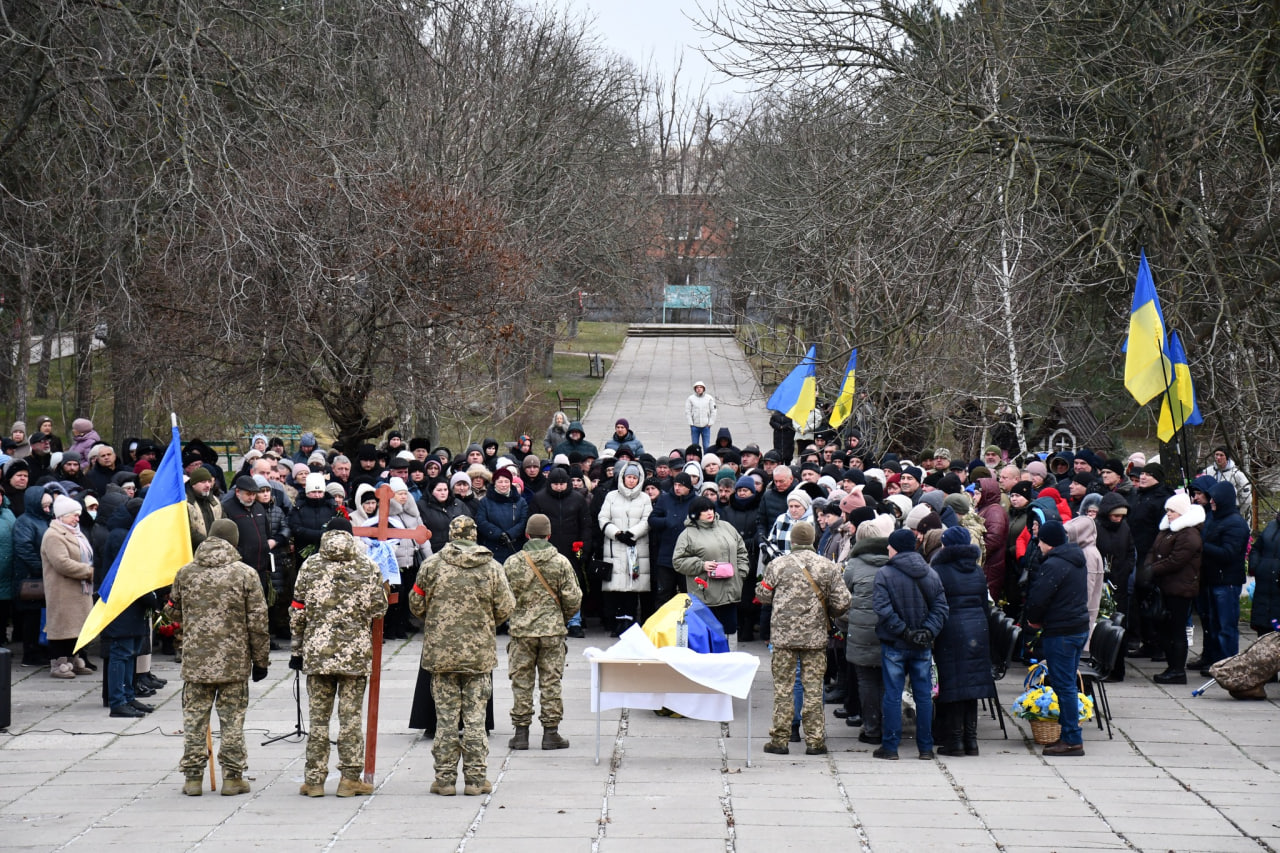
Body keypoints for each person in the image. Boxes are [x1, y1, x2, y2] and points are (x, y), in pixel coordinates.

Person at [409, 515, 514, 797]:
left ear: (452, 535)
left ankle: (444, 780)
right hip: (478, 655)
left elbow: (416, 603)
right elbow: (505, 607)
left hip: (441, 655)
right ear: (475, 535)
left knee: (445, 720)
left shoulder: (431, 566)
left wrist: (437, 621)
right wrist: (484, 622)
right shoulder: (492, 567)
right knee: (475, 720)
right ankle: (476, 780)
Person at [164, 519, 271, 796]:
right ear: (233, 541)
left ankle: (192, 778)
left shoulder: (185, 573)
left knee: (194, 720)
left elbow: (172, 613)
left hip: (196, 662)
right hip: (233, 662)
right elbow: (258, 622)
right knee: (233, 720)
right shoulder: (245, 574)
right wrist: (261, 661)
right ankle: (232, 777)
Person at [291, 518, 388, 798]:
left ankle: (314, 781)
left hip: (317, 654)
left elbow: (297, 610)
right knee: (350, 719)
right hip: (354, 656)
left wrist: (297, 651)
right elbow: (378, 608)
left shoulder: (310, 565)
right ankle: (349, 779)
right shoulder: (366, 565)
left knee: (318, 720)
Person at [756, 521, 851, 755]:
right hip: (815, 638)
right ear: (813, 540)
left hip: (782, 638)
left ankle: (780, 740)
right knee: (814, 689)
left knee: (783, 689)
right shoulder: (827, 566)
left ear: (793, 541)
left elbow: (762, 594)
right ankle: (815, 741)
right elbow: (843, 602)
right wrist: (827, 612)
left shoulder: (777, 565)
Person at [502, 513, 582, 751]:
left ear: (527, 534)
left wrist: (513, 617)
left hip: (521, 632)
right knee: (551, 681)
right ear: (549, 535)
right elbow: (573, 597)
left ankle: (520, 734)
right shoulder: (561, 562)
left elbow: (502, 598)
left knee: (521, 682)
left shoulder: (512, 562)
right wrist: (562, 618)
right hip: (552, 631)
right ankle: (551, 733)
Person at [872, 528, 948, 760]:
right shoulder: (930, 572)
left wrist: (904, 632)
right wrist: (927, 632)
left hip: (895, 643)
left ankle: (891, 746)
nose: (887, 549)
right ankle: (925, 748)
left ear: (895, 548)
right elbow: (941, 608)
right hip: (922, 645)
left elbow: (882, 609)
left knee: (893, 694)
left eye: (889, 546)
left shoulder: (884, 574)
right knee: (923, 696)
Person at [1023, 520, 1089, 756]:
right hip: (1077, 627)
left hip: (1061, 631)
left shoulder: (1054, 565)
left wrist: (1033, 620)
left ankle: (1071, 738)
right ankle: (1070, 736)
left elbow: (1039, 598)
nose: (1038, 545)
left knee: (1064, 686)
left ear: (1048, 543)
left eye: (1040, 540)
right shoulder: (1076, 559)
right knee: (1068, 684)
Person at [929, 526, 993, 757]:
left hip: (951, 630)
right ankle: (971, 741)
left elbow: (934, 603)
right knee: (972, 687)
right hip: (977, 629)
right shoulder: (976, 570)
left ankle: (955, 741)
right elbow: (985, 605)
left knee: (954, 686)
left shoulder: (939, 569)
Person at [1144, 493, 1204, 684]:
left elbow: (1177, 560)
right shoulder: (1168, 530)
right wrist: (1149, 566)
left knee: (1177, 630)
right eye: (1168, 510)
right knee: (1166, 629)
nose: (1168, 514)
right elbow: (1154, 550)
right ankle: (1172, 667)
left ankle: (1177, 670)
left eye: (1172, 511)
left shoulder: (1189, 534)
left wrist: (1152, 569)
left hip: (1180, 588)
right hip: (1167, 586)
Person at [1191, 482, 1249, 676]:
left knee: (1226, 626)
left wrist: (1201, 545)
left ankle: (1228, 664)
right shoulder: (1212, 518)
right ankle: (1216, 662)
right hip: (1212, 579)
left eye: (1214, 498)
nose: (1211, 502)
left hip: (1227, 582)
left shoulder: (1235, 523)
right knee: (1213, 624)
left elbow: (1229, 554)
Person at [672, 496, 750, 633]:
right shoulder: (687, 534)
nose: (709, 512)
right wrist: (701, 565)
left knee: (730, 631)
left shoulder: (727, 527)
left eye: (711, 509)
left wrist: (740, 573)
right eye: (704, 510)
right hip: (705, 594)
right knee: (708, 633)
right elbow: (678, 561)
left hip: (730, 591)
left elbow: (741, 551)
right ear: (695, 513)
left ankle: (730, 655)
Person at [40, 494, 96, 679]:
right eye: (73, 515)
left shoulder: (76, 533)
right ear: (62, 515)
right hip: (63, 590)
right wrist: (88, 571)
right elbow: (61, 563)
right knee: (61, 627)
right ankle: (58, 662)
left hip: (79, 589)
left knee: (76, 628)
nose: (77, 518)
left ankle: (73, 659)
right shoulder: (53, 535)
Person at [598, 462, 652, 636]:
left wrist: (631, 534)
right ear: (622, 477)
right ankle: (616, 623)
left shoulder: (644, 498)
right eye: (629, 477)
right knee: (616, 589)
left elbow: (647, 520)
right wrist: (617, 533)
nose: (631, 480)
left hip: (635, 547)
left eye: (635, 478)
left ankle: (629, 622)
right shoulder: (612, 496)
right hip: (615, 546)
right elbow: (603, 517)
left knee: (632, 587)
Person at [685, 381, 717, 451]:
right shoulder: (691, 399)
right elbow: (688, 411)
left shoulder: (709, 398)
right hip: (695, 426)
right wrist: (691, 424)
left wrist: (710, 423)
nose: (699, 389)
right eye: (697, 387)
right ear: (695, 389)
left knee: (706, 446)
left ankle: (705, 460)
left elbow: (713, 411)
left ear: (703, 389)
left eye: (700, 387)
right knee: (695, 446)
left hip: (706, 427)